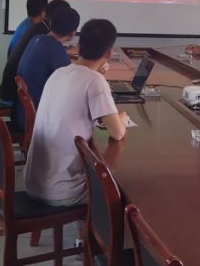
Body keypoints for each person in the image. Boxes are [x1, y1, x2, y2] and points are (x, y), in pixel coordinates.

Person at [24, 19, 130, 206]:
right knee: (121, 194)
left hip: (33, 184)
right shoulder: (95, 81)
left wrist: (98, 77)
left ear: (79, 46)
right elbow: (117, 133)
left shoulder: (59, 73)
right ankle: (91, 226)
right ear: (108, 53)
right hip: (61, 191)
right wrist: (121, 118)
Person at [12, 6, 80, 131]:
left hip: (21, 111)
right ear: (72, 33)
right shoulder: (56, 51)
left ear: (51, 24)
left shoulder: (36, 39)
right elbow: (73, 88)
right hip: (36, 119)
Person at [1, 0, 70, 105]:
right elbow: (66, 72)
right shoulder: (42, 33)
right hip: (15, 96)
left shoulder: (38, 29)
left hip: (15, 90)